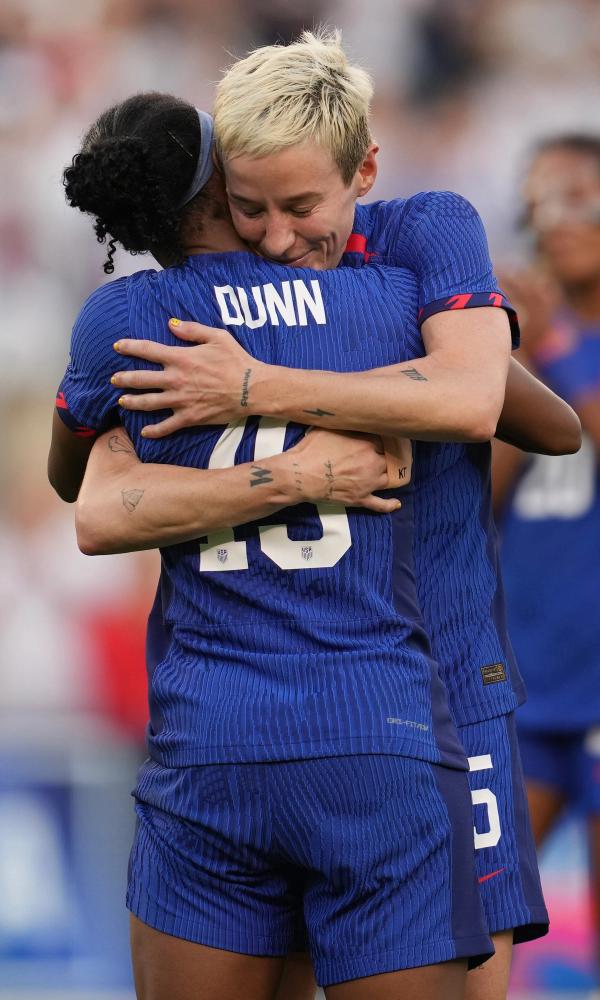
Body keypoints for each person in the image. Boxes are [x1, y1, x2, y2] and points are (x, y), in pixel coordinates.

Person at [88, 32, 568, 1000]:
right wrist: (324, 448)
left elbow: (488, 406)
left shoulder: (422, 234)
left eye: (302, 207)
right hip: (321, 711)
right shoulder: (357, 294)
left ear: (366, 170)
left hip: (447, 680)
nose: (273, 237)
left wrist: (257, 385)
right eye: (248, 207)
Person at [492, 134, 600, 988]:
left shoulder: (565, 339)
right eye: (540, 202)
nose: (554, 221)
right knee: (483, 934)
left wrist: (558, 343)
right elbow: (477, 496)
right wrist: (500, 370)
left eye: (577, 197)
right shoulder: (524, 340)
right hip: (525, 674)